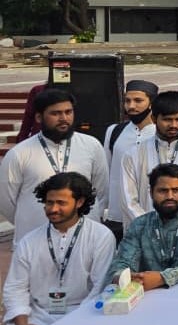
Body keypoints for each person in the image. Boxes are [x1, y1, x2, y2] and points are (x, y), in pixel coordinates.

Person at [0, 173, 115, 325]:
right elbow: (15, 288)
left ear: (79, 202)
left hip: (83, 316)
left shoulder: (101, 236)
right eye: (49, 203)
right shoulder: (29, 241)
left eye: (61, 203)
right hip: (37, 317)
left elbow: (100, 288)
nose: (53, 209)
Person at [0, 89, 109, 243]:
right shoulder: (19, 153)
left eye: (68, 112)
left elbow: (101, 191)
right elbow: (6, 201)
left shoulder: (92, 146)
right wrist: (32, 218)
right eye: (55, 113)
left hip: (83, 238)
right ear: (39, 117)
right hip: (35, 238)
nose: (64, 118)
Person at [108, 164, 178, 290]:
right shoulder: (139, 225)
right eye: (163, 191)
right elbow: (121, 263)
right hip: (147, 294)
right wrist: (124, 277)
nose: (170, 196)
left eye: (176, 190)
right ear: (151, 193)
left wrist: (162, 278)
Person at [118, 91, 178, 226]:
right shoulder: (133, 155)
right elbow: (128, 200)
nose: (174, 125)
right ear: (154, 119)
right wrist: (150, 226)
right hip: (144, 229)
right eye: (167, 120)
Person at [103, 80, 158, 232]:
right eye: (127, 101)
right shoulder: (114, 131)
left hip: (152, 216)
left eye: (138, 101)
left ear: (151, 103)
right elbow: (106, 172)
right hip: (117, 216)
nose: (131, 106)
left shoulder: (160, 134)